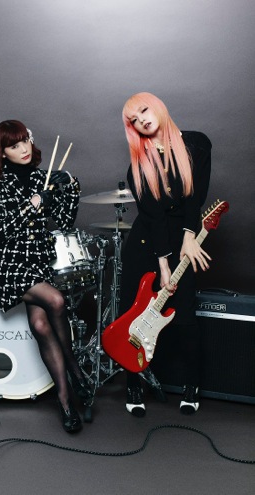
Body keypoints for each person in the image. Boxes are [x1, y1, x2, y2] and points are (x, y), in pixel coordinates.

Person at [0, 120, 91, 433]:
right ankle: (75, 369)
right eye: (14, 145)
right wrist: (33, 204)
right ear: (2, 152)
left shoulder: (41, 178)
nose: (23, 149)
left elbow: (66, 221)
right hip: (8, 264)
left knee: (41, 326)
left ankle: (65, 403)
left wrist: (71, 184)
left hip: (38, 264)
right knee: (56, 301)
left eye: (25, 141)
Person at [119, 92, 212, 417]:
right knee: (132, 317)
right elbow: (154, 216)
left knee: (184, 315)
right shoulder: (137, 167)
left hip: (185, 238)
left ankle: (191, 385)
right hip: (147, 244)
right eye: (134, 120)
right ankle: (133, 383)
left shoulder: (197, 145)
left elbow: (195, 198)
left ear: (157, 106)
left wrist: (190, 236)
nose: (142, 120)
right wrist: (163, 264)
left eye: (144, 110)